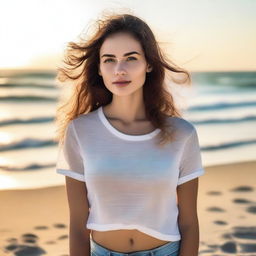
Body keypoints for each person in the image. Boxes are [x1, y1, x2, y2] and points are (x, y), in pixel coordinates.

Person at [55, 12, 205, 256]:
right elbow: (78, 227)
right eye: (109, 60)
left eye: (131, 58)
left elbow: (189, 223)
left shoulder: (182, 134)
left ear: (149, 64)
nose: (119, 70)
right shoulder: (80, 131)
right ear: (100, 68)